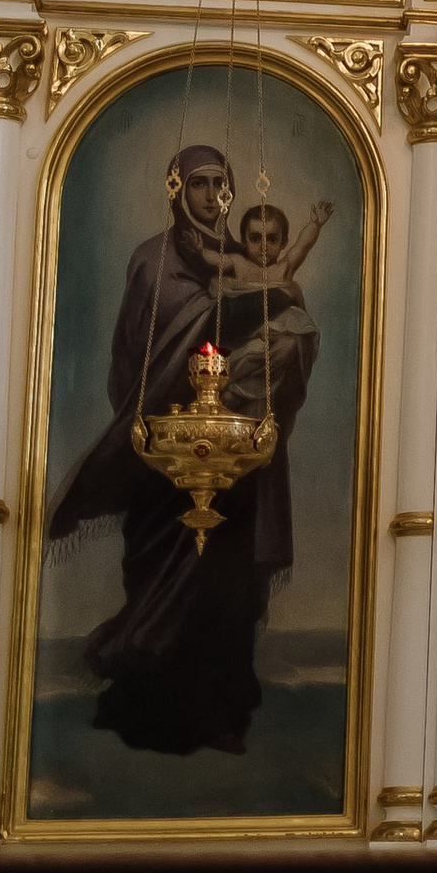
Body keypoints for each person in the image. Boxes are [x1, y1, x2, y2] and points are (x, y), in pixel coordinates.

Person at [49, 143, 325, 758]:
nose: (210, 196)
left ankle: (221, 714)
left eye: (219, 184)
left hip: (240, 459)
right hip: (166, 451)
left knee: (227, 588)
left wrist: (273, 337)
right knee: (156, 572)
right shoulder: (156, 260)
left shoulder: (248, 257)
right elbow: (140, 351)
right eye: (198, 184)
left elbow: (287, 334)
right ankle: (145, 710)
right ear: (176, 187)